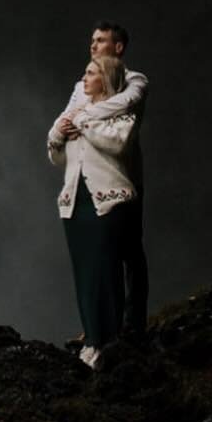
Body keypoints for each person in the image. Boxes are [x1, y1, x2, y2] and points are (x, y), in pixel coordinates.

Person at [57, 24, 150, 338]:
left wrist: (86, 115)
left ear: (119, 46)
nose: (93, 46)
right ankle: (102, 326)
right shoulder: (81, 85)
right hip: (90, 178)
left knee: (130, 253)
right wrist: (70, 122)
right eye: (92, 40)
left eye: (100, 40)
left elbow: (122, 104)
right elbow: (65, 118)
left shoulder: (133, 79)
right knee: (100, 257)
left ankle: (132, 323)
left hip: (126, 175)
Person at [48, 54, 140, 365]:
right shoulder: (75, 112)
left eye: (90, 73)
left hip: (109, 201)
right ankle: (92, 340)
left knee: (105, 270)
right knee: (84, 273)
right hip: (76, 204)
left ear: (105, 78)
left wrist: (83, 123)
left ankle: (109, 341)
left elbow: (118, 144)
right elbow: (56, 155)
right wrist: (59, 132)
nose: (84, 80)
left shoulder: (120, 112)